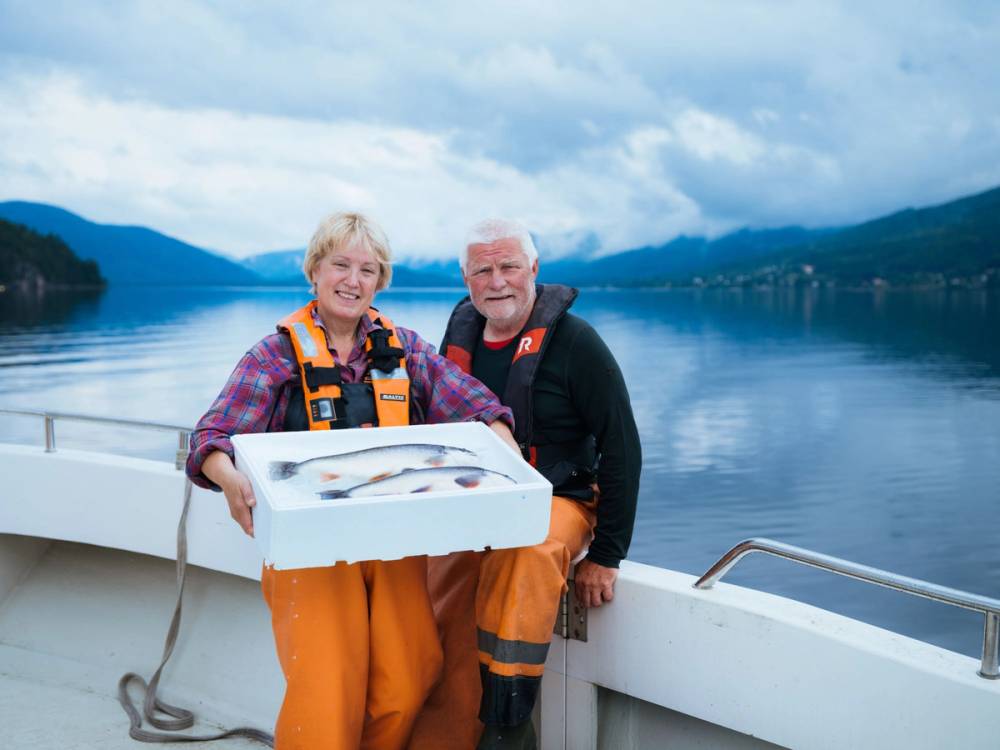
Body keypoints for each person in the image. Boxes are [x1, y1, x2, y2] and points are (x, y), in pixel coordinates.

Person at [186, 212, 516, 750]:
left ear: (380, 281)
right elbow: (212, 437)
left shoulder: (405, 348)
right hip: (307, 548)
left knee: (408, 676)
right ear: (315, 271)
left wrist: (501, 439)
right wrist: (225, 476)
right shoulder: (273, 355)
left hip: (392, 541)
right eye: (340, 265)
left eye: (368, 270)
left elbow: (475, 404)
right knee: (327, 688)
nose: (352, 281)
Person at [409, 219, 642, 750]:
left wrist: (607, 554)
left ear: (533, 269)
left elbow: (622, 446)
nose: (497, 282)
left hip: (559, 498)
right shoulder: (459, 339)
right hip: (476, 500)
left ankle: (508, 728)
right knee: (433, 598)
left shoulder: (577, 344)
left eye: (509, 266)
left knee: (527, 554)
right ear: (466, 279)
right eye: (482, 270)